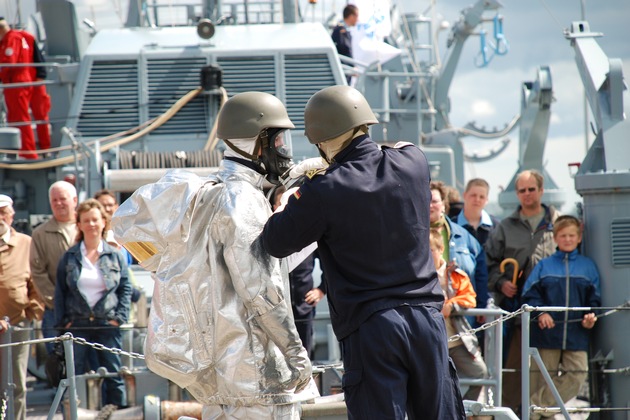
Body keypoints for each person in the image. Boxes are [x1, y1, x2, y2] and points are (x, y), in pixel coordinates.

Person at [260, 85, 465, 419]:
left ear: (321, 139)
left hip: (373, 327)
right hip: (427, 319)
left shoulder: (323, 190)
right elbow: (396, 149)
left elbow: (274, 241)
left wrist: (289, 197)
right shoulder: (413, 162)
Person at [112, 91, 316, 419]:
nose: (283, 152)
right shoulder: (243, 200)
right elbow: (260, 291)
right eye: (277, 141)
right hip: (258, 379)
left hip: (218, 379)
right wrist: (295, 352)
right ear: (253, 143)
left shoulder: (209, 194)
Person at [485, 169, 559, 413]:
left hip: (553, 309)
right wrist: (501, 283)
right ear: (517, 194)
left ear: (541, 190)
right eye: (522, 190)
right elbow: (489, 262)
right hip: (516, 311)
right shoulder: (505, 227)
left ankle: (542, 413)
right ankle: (511, 414)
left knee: (550, 368)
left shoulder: (558, 224)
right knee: (514, 369)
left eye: (531, 189)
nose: (527, 194)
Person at [54, 198, 132, 408]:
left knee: (114, 373)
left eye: (95, 220)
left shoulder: (115, 256)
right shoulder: (69, 257)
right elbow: (60, 292)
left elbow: (126, 288)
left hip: (107, 324)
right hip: (77, 325)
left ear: (104, 222)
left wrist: (120, 318)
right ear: (79, 224)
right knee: (74, 374)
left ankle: (118, 412)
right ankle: (74, 412)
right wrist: (64, 324)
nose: (91, 224)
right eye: (86, 220)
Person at [522, 215, 600, 419]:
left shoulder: (588, 266)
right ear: (555, 238)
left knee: (577, 374)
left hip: (577, 334)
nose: (567, 239)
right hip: (547, 334)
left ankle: (533, 407)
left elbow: (595, 299)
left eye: (572, 235)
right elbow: (529, 295)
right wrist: (542, 312)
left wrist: (591, 315)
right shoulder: (544, 266)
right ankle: (538, 412)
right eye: (563, 235)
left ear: (579, 237)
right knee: (540, 380)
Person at [429, 229, 488, 401]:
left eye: (430, 250)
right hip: (430, 341)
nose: (426, 255)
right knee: (432, 382)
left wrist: (451, 305)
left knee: (481, 373)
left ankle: (462, 410)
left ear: (441, 249)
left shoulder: (455, 274)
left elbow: (470, 297)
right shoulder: (417, 277)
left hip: (457, 340)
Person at [0, 194, 44, 419]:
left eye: (2, 213)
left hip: (17, 325)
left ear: (11, 216)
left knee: (16, 383)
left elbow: (35, 281)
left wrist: (32, 313)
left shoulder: (26, 243)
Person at [30, 180, 78, 354]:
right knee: (58, 363)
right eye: (54, 200)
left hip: (87, 313)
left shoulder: (87, 228)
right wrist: (56, 302)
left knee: (91, 366)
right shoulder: (40, 234)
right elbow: (38, 273)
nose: (58, 203)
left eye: (62, 199)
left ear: (75, 200)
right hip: (55, 312)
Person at [430, 181, 489, 313]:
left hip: (463, 316)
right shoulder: (410, 239)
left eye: (434, 201)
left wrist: (482, 307)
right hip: (426, 317)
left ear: (444, 205)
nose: (430, 205)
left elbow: (481, 276)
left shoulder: (465, 238)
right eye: (424, 200)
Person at [0, 18, 36, 159]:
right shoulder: (15, 37)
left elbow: (9, 61)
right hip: (15, 83)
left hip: (17, 82)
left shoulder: (12, 38)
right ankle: (21, 150)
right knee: (15, 118)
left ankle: (28, 153)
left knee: (20, 119)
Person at [17, 29, 51, 152]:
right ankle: (28, 150)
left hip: (33, 83)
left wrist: (40, 78)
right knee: (22, 118)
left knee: (40, 115)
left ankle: (45, 148)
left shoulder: (26, 38)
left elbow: (38, 60)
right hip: (20, 85)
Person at [453, 178, 501, 246]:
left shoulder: (497, 226)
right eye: (473, 195)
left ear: (487, 200)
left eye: (481, 197)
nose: (477, 199)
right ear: (464, 195)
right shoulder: (452, 226)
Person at [331, 4, 358, 84]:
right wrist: (351, 67)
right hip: (343, 70)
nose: (358, 19)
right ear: (351, 16)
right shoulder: (341, 30)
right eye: (357, 16)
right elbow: (345, 49)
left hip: (345, 70)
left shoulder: (344, 29)